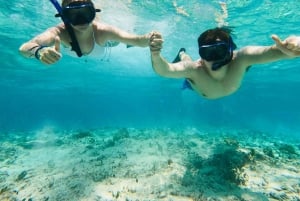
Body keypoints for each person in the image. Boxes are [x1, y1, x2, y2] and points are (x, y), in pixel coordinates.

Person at [149, 27, 300, 99]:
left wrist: (290, 46)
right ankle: (182, 53)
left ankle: (184, 54)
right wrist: (155, 55)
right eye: (207, 53)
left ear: (230, 51)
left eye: (219, 51)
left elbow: (271, 51)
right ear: (201, 56)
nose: (214, 58)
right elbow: (165, 70)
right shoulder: (195, 69)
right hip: (194, 84)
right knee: (187, 62)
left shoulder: (242, 58)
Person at [19, 0, 153, 65]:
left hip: (107, 43)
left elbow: (138, 40)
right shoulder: (59, 32)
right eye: (73, 15)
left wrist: (149, 38)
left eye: (85, 13)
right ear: (64, 16)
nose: (82, 21)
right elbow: (24, 47)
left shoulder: (102, 30)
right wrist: (39, 51)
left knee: (121, 41)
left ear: (94, 13)